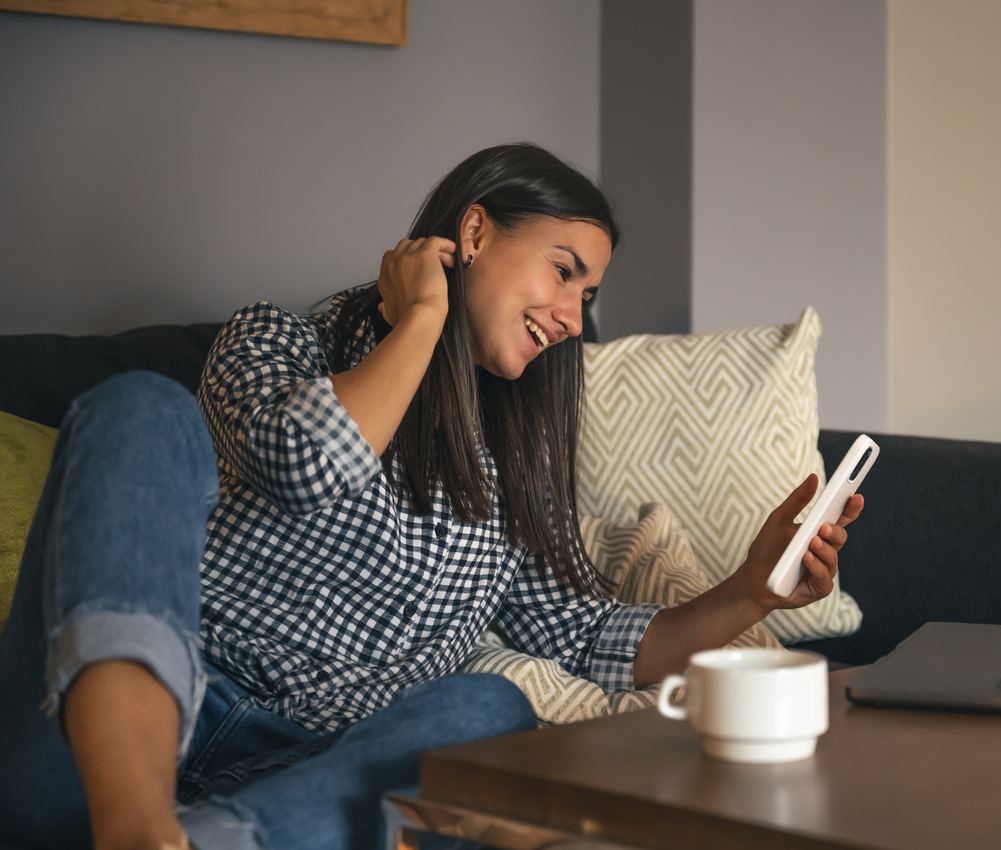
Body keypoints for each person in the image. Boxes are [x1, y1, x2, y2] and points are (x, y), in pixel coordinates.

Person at [0, 142, 864, 850]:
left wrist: (755, 587)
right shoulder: (273, 343)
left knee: (491, 709)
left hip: (298, 773)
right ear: (475, 231)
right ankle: (135, 823)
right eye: (563, 272)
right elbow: (308, 462)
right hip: (101, 734)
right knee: (139, 407)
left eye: (588, 296)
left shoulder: (499, 476)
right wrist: (421, 317)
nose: (572, 316)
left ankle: (214, 838)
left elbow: (591, 637)